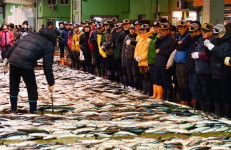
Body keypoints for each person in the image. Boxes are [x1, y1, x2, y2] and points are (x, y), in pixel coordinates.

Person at [6, 28, 56, 113]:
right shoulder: (49, 44)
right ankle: (33, 110)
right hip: (27, 64)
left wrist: (7, 60)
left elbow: (14, 45)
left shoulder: (29, 35)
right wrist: (51, 83)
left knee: (13, 85)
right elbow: (47, 66)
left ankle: (13, 108)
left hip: (14, 61)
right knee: (31, 87)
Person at [191, 23, 214, 114]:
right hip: (198, 68)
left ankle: (208, 110)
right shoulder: (201, 40)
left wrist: (199, 55)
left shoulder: (213, 41)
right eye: (202, 31)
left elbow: (210, 55)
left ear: (211, 31)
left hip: (206, 70)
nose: (203, 33)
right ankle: (200, 109)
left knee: (206, 91)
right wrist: (195, 54)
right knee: (198, 89)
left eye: (206, 31)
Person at [155, 22, 177, 101]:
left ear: (169, 30)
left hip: (166, 64)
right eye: (161, 30)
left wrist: (160, 51)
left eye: (164, 30)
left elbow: (170, 51)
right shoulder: (161, 38)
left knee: (167, 82)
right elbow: (155, 47)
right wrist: (157, 39)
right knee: (162, 82)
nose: (162, 32)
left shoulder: (172, 39)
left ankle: (170, 99)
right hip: (159, 63)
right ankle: (164, 98)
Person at [122, 24, 138, 88]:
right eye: (130, 29)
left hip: (134, 58)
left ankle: (135, 86)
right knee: (129, 73)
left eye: (133, 29)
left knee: (135, 73)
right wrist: (123, 57)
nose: (131, 31)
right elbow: (124, 47)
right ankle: (130, 85)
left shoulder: (137, 37)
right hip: (127, 58)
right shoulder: (127, 37)